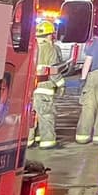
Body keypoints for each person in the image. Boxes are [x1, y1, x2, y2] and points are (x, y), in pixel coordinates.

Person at [31, 20, 65, 148]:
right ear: (50, 35)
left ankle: (29, 140)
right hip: (44, 88)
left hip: (29, 89)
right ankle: (48, 141)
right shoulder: (50, 49)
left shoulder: (31, 47)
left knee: (31, 115)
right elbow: (53, 71)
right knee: (46, 115)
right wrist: (61, 84)